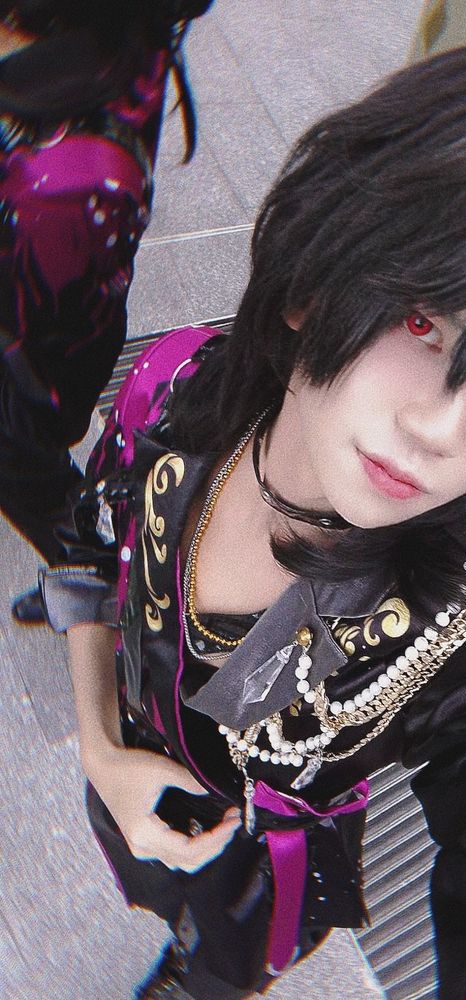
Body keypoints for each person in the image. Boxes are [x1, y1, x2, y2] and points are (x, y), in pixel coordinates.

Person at [40, 39, 466, 1000]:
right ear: (313, 285)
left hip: (257, 866)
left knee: (216, 967)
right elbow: (91, 552)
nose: (439, 426)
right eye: (422, 321)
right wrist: (103, 752)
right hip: (132, 766)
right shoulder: (175, 386)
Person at [0, 0, 212, 622]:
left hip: (40, 347)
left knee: (25, 464)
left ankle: (99, 576)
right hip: (65, 306)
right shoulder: (118, 38)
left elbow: (30, 326)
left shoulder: (60, 178)